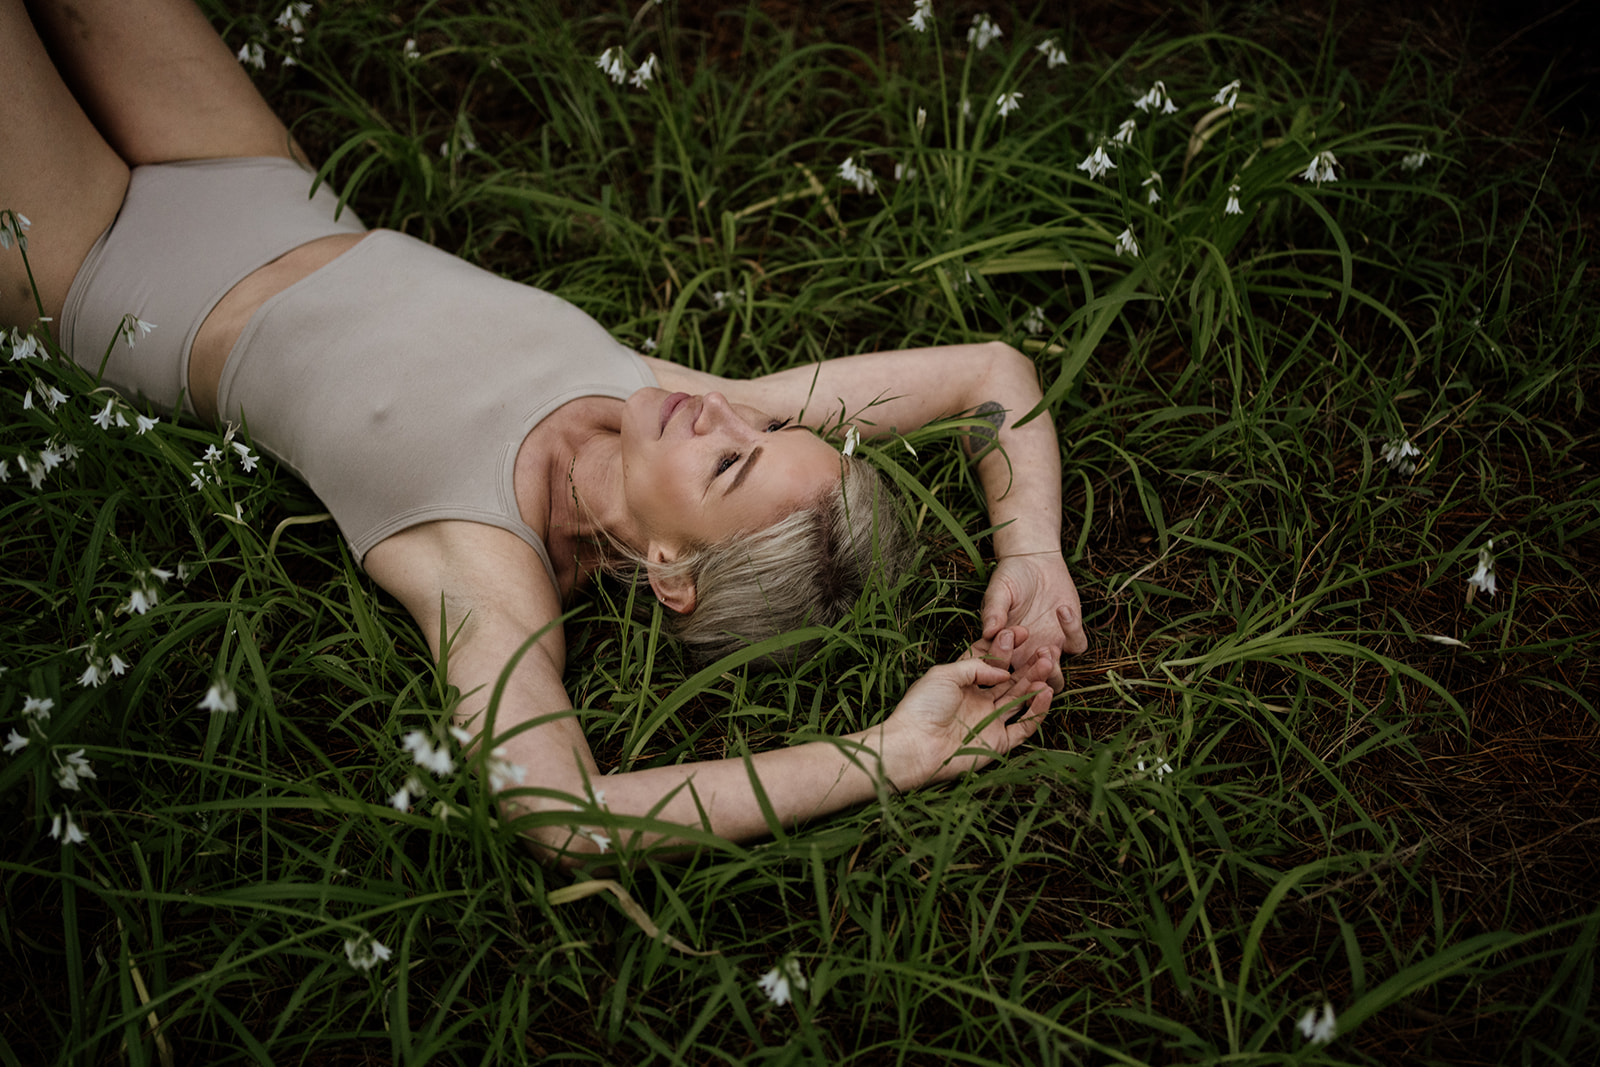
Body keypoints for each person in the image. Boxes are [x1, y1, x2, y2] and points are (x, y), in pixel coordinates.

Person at [1, 0, 1087, 862]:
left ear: (669, 568)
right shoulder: (662, 397)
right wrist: (1028, 550)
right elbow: (989, 373)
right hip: (250, 174)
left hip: (90, 259)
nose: (722, 408)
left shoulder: (483, 564)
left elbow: (563, 812)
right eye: (757, 419)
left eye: (726, 460)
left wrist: (888, 750)